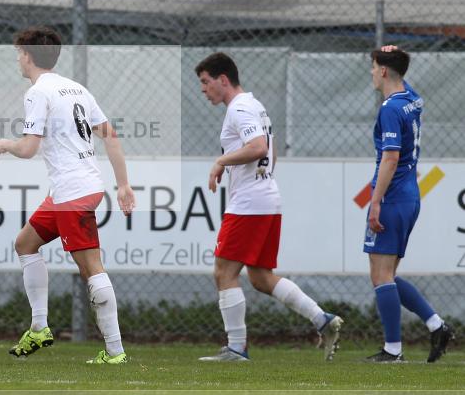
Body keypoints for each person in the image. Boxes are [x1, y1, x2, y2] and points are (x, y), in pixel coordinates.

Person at [0, 26, 136, 364]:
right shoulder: (76, 88)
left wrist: (5, 144)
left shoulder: (38, 92)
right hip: (73, 189)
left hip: (73, 192)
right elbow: (110, 135)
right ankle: (40, 326)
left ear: (27, 56)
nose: (17, 59)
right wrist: (123, 184)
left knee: (91, 268)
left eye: (18, 53)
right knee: (25, 244)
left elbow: (28, 148)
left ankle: (115, 352)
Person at [194, 52, 343, 362]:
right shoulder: (254, 105)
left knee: (224, 271)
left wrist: (221, 161)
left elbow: (259, 148)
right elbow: (268, 155)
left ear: (223, 80)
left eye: (206, 82)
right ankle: (322, 320)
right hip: (265, 198)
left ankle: (237, 348)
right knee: (261, 277)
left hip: (250, 203)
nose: (203, 89)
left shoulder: (240, 107)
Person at [363, 45, 454, 362]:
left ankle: (393, 350)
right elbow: (402, 76)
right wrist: (395, 53)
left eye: (374, 66)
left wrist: (375, 202)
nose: (372, 73)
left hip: (392, 196)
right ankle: (436, 325)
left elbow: (390, 158)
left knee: (381, 275)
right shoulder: (412, 98)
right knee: (386, 275)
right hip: (410, 195)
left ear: (384, 71)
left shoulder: (389, 109)